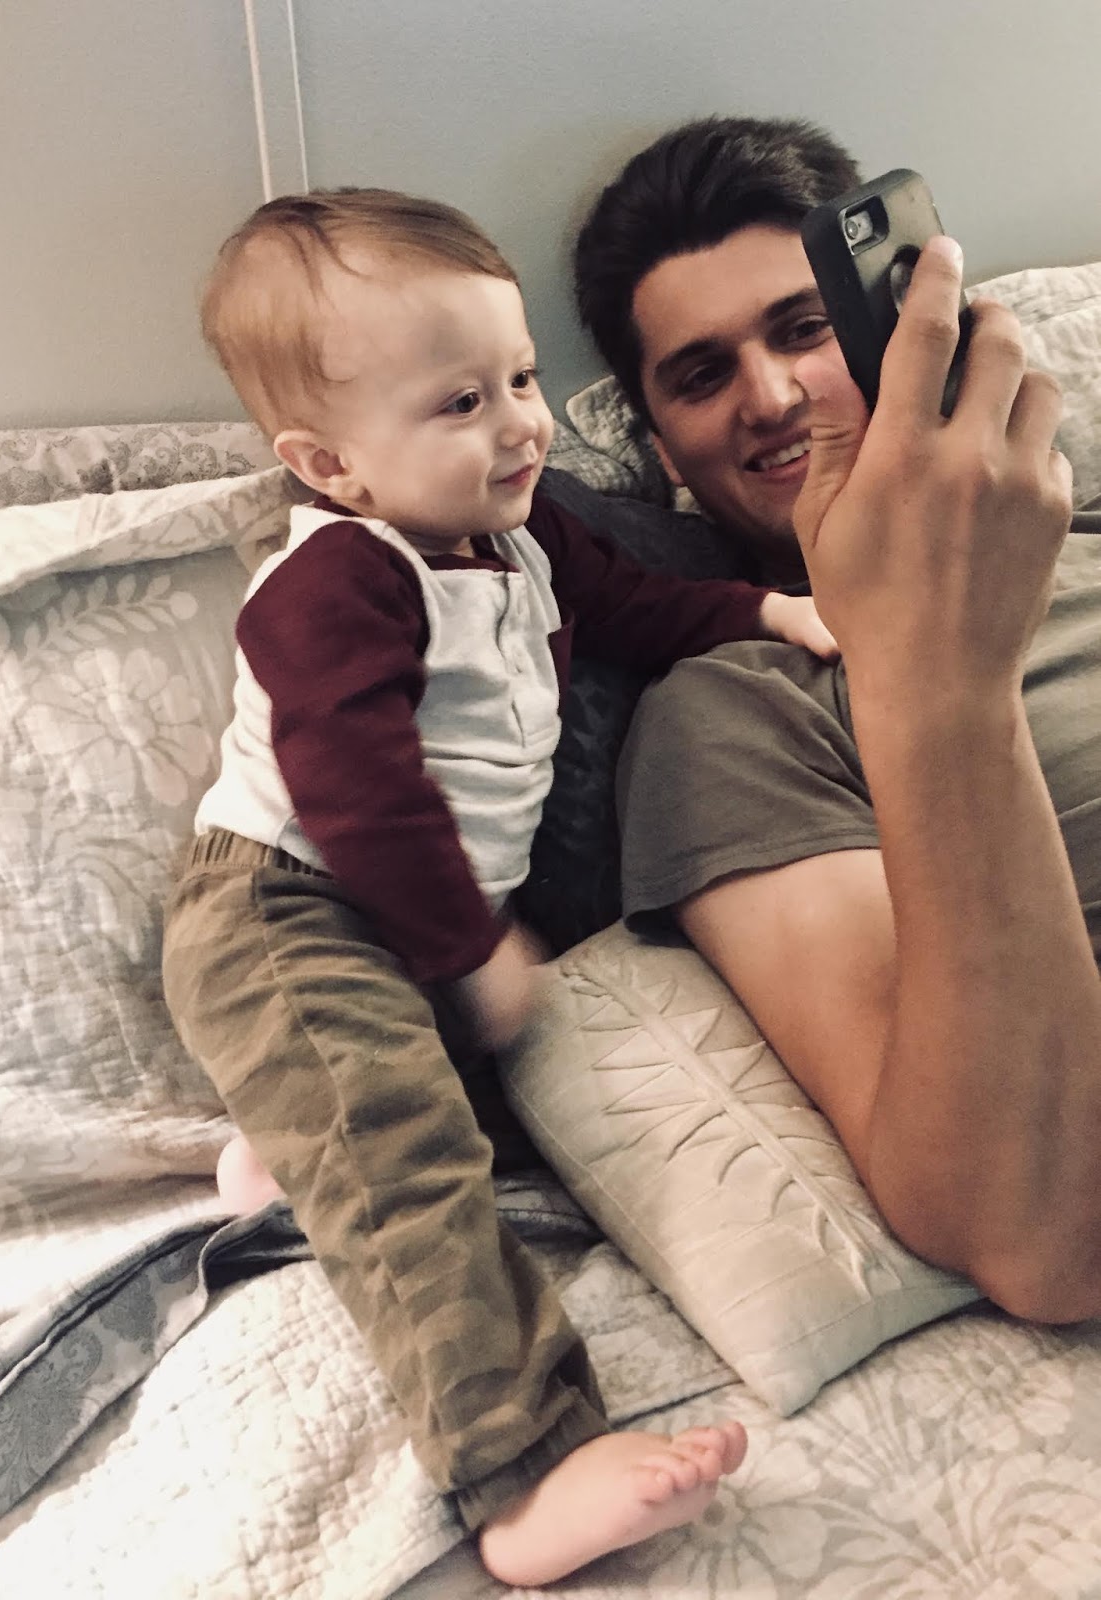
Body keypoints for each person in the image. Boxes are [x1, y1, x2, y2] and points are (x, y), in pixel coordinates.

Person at [160, 184, 853, 1587]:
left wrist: (769, 609)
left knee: (457, 1102)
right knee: (417, 1170)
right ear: (332, 465)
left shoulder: (524, 543)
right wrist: (469, 942)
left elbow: (642, 610)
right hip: (291, 911)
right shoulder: (335, 581)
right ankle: (521, 1468)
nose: (522, 425)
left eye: (522, 378)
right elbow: (359, 789)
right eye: (460, 403)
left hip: (407, 917)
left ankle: (278, 1153)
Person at [573, 115, 1101, 1325]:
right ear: (662, 454)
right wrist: (936, 669)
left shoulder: (1073, 536)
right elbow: (1035, 1230)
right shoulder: (728, 712)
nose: (771, 398)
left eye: (804, 329)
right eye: (701, 375)